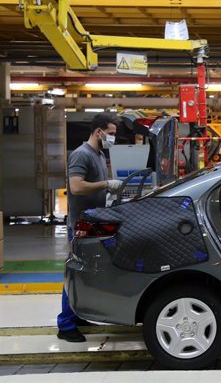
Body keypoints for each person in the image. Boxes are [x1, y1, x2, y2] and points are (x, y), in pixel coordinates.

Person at [57, 113, 123, 342]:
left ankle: (77, 313)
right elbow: (76, 187)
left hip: (92, 224)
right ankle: (65, 325)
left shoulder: (98, 154)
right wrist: (106, 184)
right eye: (111, 133)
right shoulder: (81, 154)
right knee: (76, 273)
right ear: (99, 132)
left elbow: (93, 188)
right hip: (79, 226)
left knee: (85, 274)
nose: (113, 138)